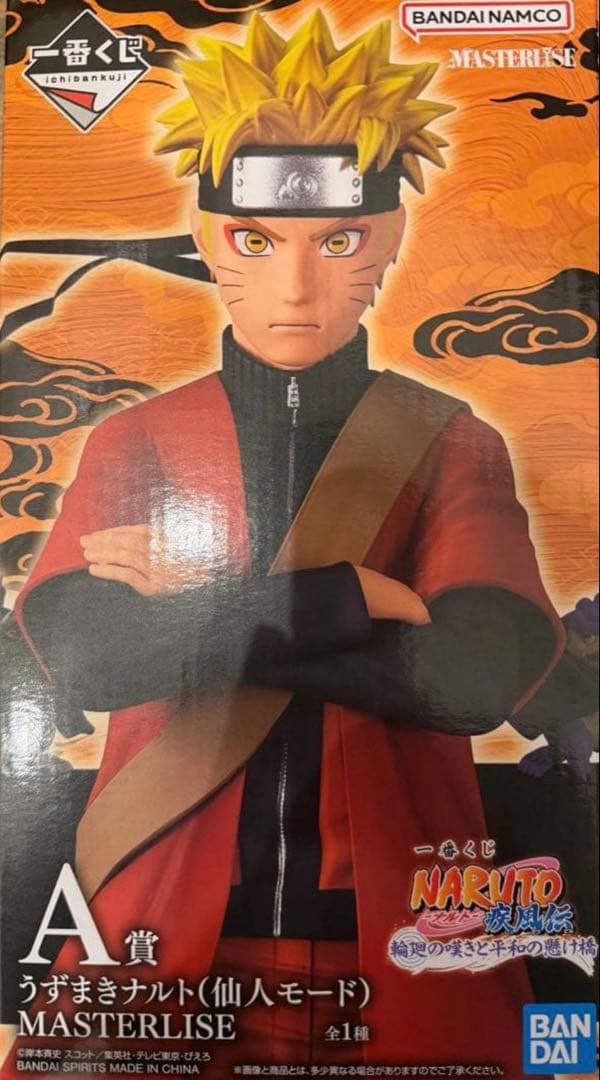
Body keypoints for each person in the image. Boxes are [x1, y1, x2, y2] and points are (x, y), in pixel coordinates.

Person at [7, 10, 564, 1074]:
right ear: (207, 234)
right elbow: (91, 659)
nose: (297, 286)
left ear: (388, 238)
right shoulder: (136, 439)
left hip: (410, 929)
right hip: (154, 914)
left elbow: (472, 673)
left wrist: (203, 611)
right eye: (255, 241)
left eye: (338, 241)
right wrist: (351, 596)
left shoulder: (449, 439)